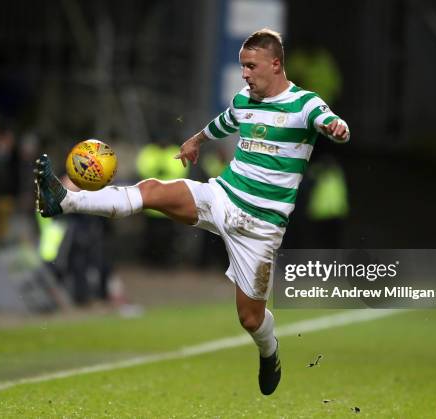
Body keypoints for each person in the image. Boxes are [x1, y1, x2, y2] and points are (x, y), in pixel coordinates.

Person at [35, 28, 350, 395]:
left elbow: (330, 122)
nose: (245, 74)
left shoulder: (305, 104)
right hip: (223, 195)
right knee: (152, 190)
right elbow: (224, 122)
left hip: (261, 226)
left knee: (250, 319)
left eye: (251, 66)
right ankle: (65, 200)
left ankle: (270, 351)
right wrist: (195, 140)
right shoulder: (245, 100)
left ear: (276, 64)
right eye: (242, 67)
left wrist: (336, 128)